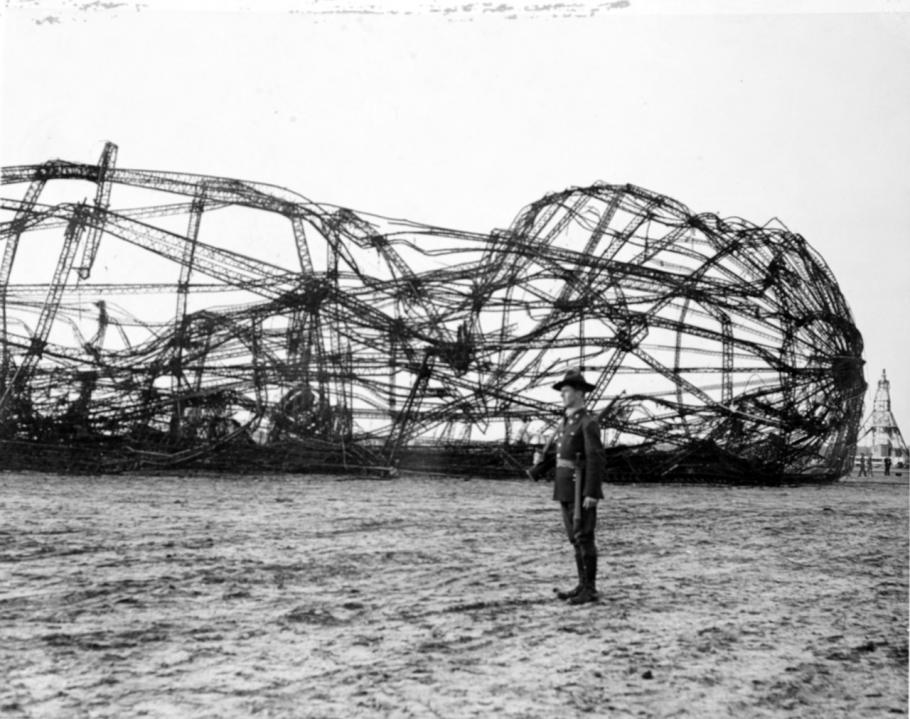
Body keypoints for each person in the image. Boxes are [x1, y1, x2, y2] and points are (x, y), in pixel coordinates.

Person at [527, 368, 605, 605]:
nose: (562, 394)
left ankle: (589, 589)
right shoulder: (566, 423)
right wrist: (540, 464)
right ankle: (582, 585)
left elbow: (596, 459)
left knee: (584, 537)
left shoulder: (587, 423)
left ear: (580, 393)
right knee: (575, 538)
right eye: (562, 390)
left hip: (580, 488)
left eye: (567, 390)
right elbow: (563, 456)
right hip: (565, 487)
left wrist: (592, 492)